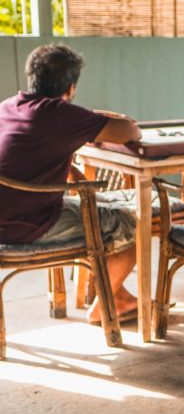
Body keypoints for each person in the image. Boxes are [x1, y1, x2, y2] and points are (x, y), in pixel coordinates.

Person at [0, 44, 141, 324]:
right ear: (71, 87)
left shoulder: (8, 107)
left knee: (93, 217)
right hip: (25, 224)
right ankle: (105, 305)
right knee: (127, 223)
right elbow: (129, 132)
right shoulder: (60, 114)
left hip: (8, 215)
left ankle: (120, 297)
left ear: (32, 77)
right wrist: (108, 117)